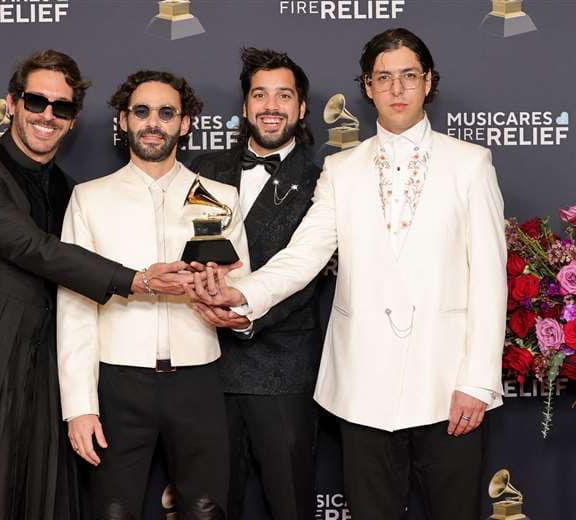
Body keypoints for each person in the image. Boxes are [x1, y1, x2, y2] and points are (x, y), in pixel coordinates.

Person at [191, 28, 507, 519]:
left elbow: (490, 278)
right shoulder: (341, 169)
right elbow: (302, 256)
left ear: (428, 82)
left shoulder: (470, 164)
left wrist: (479, 381)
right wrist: (242, 295)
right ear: (367, 86)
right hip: (362, 387)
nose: (396, 88)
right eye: (384, 77)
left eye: (408, 76)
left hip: (448, 384)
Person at [0, 50, 191, 520]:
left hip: (37, 369)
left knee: (32, 496)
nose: (47, 115)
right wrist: (135, 280)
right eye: (36, 102)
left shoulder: (70, 192)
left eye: (62, 107)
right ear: (13, 103)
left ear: (72, 121)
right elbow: (31, 247)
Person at [56, 70, 250, 520]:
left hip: (198, 380)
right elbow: (74, 309)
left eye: (166, 113)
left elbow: (244, 291)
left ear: (185, 123)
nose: (153, 123)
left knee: (206, 510)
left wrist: (235, 310)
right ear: (124, 120)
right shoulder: (89, 199)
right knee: (112, 511)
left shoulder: (221, 198)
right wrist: (80, 407)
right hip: (118, 383)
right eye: (141, 112)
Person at [189, 47, 324, 520]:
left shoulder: (324, 180)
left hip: (282, 370)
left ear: (301, 108)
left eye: (284, 96)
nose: (271, 106)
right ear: (245, 106)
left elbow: (308, 272)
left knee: (289, 504)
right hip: (205, 366)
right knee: (208, 506)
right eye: (260, 94)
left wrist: (246, 319)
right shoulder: (202, 169)